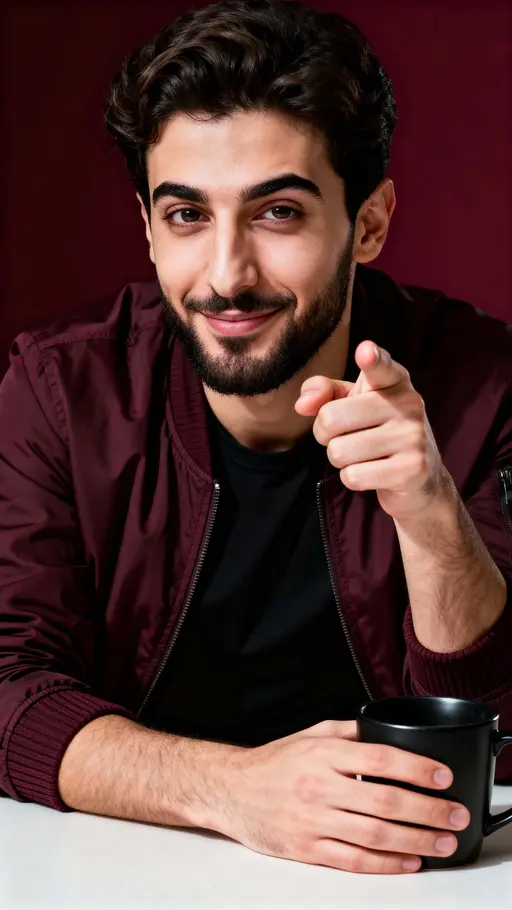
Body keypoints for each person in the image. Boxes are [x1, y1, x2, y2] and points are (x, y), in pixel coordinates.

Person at [0, 0, 511, 878]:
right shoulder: (61, 392)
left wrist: (430, 515)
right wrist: (234, 789)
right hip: (116, 875)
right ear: (148, 227)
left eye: (277, 212)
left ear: (371, 222)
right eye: (188, 216)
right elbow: (7, 687)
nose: (227, 275)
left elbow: (498, 730)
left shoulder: (485, 385)